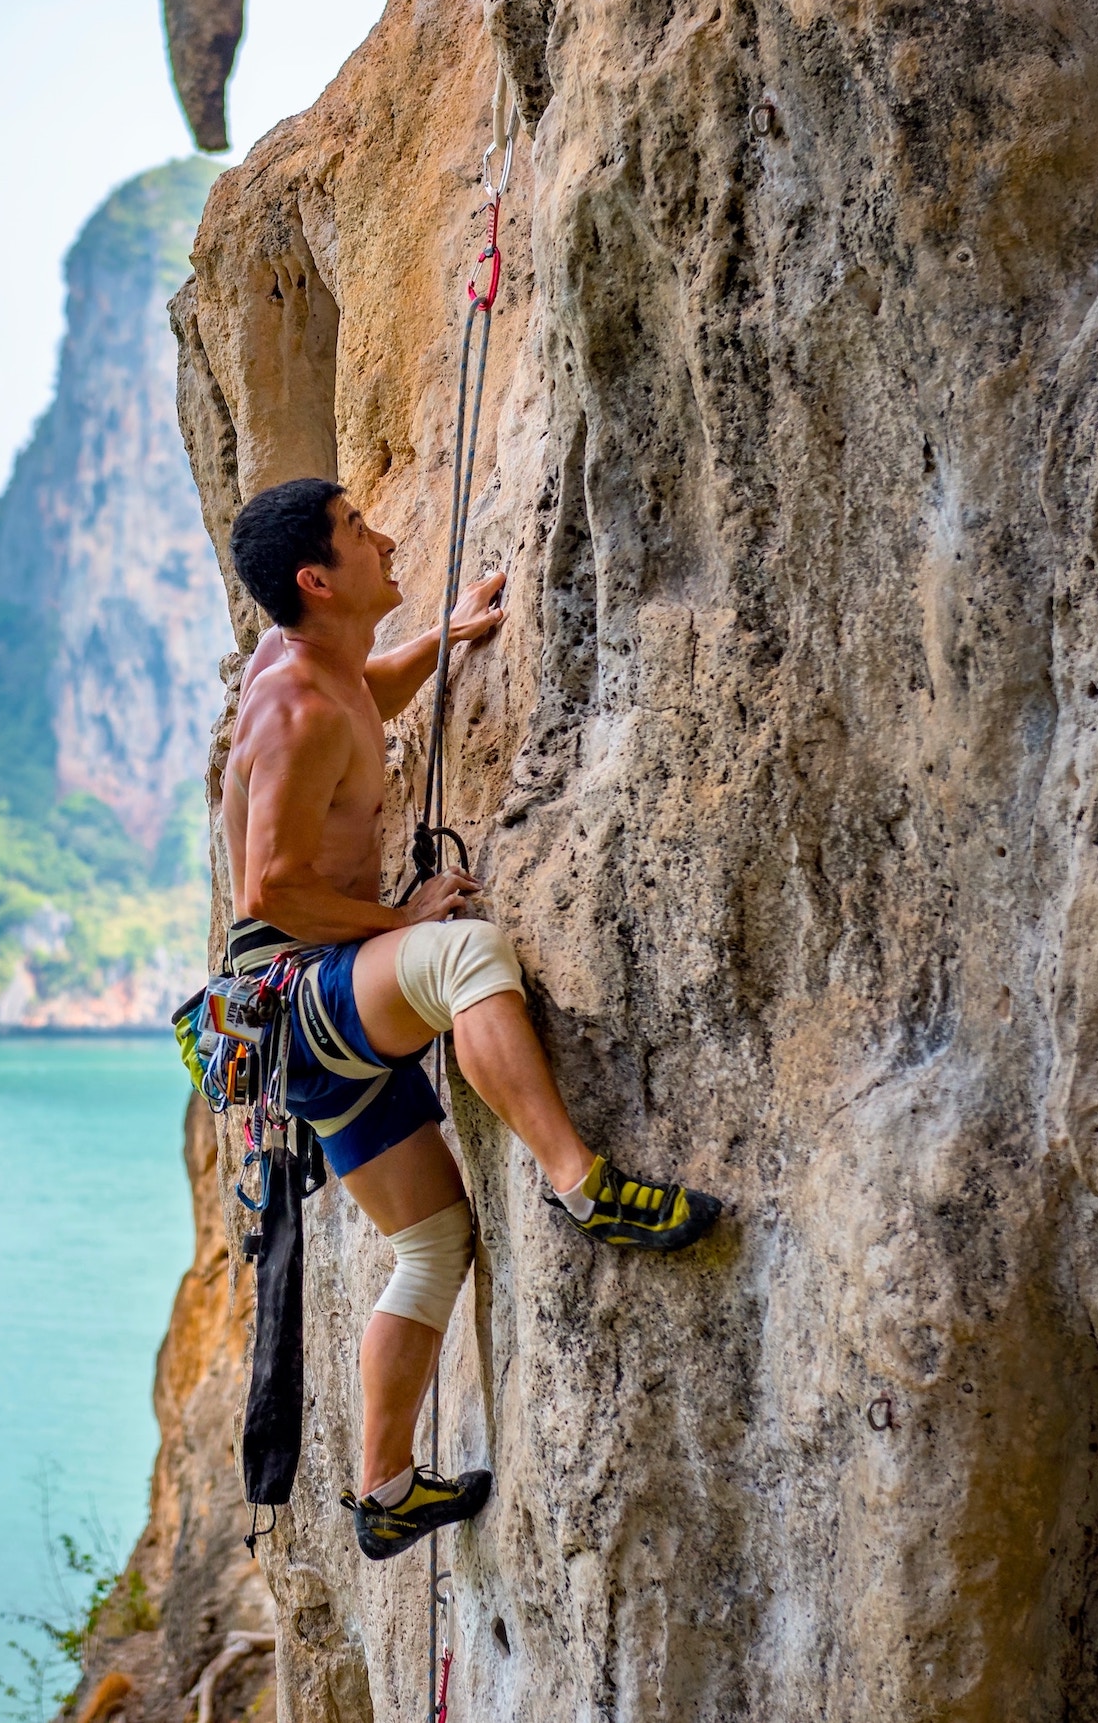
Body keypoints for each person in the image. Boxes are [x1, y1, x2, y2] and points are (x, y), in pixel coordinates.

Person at [220, 476, 721, 1562]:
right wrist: (396, 916)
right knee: (462, 954)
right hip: (301, 995)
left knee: (433, 1238)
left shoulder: (313, 666)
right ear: (315, 577)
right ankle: (584, 1185)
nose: (385, 535)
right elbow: (268, 887)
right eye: (359, 532)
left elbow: (365, 698)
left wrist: (440, 643)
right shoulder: (296, 704)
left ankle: (385, 1488)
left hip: (290, 1028)